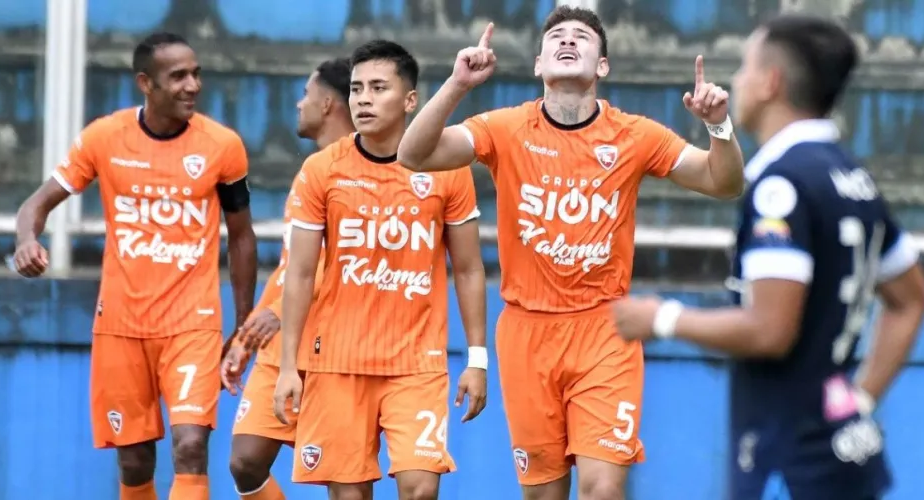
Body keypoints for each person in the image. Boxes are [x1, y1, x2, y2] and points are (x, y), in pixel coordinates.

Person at [396, 6, 745, 499]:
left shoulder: (636, 135)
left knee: (601, 488)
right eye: (557, 35)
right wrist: (456, 86)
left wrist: (719, 127)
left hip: (605, 328)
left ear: (601, 66)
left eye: (582, 36)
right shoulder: (505, 127)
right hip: (526, 331)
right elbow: (413, 154)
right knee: (543, 493)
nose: (568, 41)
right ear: (538, 63)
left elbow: (723, 182)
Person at [611, 14, 924, 500]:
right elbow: (913, 298)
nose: (737, 79)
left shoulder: (781, 184)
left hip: (789, 456)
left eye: (744, 66)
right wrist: (858, 399)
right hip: (845, 451)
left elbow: (770, 330)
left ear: (770, 82)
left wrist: (662, 319)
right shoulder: (851, 175)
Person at [12, 32, 258, 500]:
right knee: (134, 459)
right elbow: (36, 204)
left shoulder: (222, 146)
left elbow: (242, 236)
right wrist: (27, 239)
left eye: (196, 74)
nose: (192, 86)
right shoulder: (105, 137)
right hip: (121, 326)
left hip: (193, 324)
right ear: (146, 83)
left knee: (190, 446)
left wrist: (243, 323)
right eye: (178, 76)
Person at [272, 40, 488, 500]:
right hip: (337, 363)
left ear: (410, 100)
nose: (363, 99)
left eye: (377, 87)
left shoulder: (449, 169)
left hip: (416, 364)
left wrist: (477, 359)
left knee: (420, 489)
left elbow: (468, 270)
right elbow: (301, 273)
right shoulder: (321, 170)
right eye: (355, 89)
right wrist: (288, 365)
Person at [222, 57, 355, 500]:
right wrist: (251, 330)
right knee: (245, 461)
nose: (300, 103)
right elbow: (290, 265)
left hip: (335, 347)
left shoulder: (357, 170)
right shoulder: (312, 171)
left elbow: (339, 262)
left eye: (306, 93)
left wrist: (278, 313)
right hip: (283, 346)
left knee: (345, 479)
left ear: (329, 102)